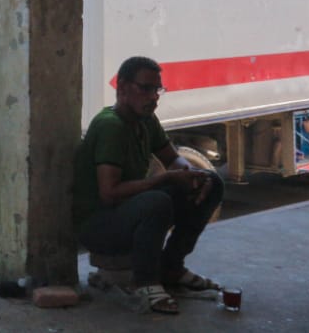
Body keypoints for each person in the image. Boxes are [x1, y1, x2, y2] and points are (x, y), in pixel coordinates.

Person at [73, 56, 224, 314]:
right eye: (145, 88)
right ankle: (146, 282)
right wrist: (165, 178)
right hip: (98, 225)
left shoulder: (145, 120)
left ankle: (172, 267)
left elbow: (172, 157)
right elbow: (109, 194)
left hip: (125, 211)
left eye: (157, 89)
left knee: (213, 182)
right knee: (157, 201)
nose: (154, 97)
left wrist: (193, 176)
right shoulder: (111, 126)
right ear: (122, 88)